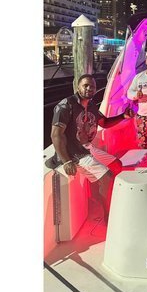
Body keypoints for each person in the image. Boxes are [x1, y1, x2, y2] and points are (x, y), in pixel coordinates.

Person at [50, 74, 127, 212]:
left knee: (117, 165)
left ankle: (99, 196)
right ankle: (108, 214)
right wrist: (67, 161)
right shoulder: (66, 105)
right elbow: (56, 134)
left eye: (92, 86)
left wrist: (123, 116)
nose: (89, 88)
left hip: (86, 148)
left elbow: (104, 123)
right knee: (107, 178)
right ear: (78, 87)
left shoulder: (91, 105)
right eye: (85, 85)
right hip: (74, 153)